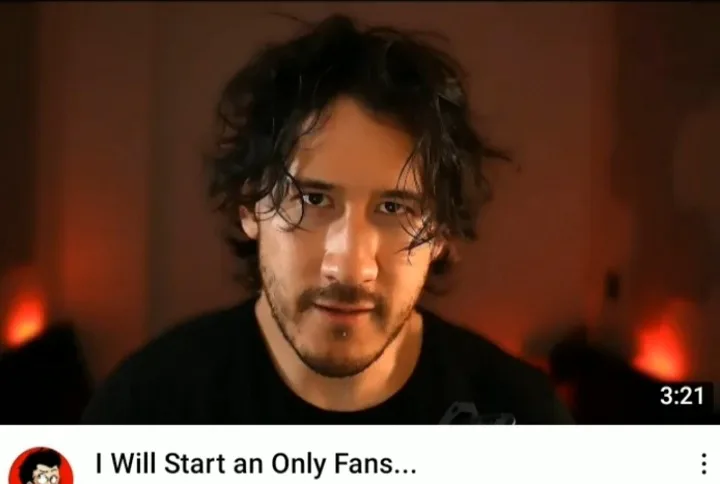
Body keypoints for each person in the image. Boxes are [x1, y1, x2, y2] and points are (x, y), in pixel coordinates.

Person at [82, 14, 573, 424]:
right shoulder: (143, 410)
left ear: (441, 233)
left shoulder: (524, 421)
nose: (350, 268)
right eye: (313, 200)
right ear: (249, 205)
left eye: (395, 208)